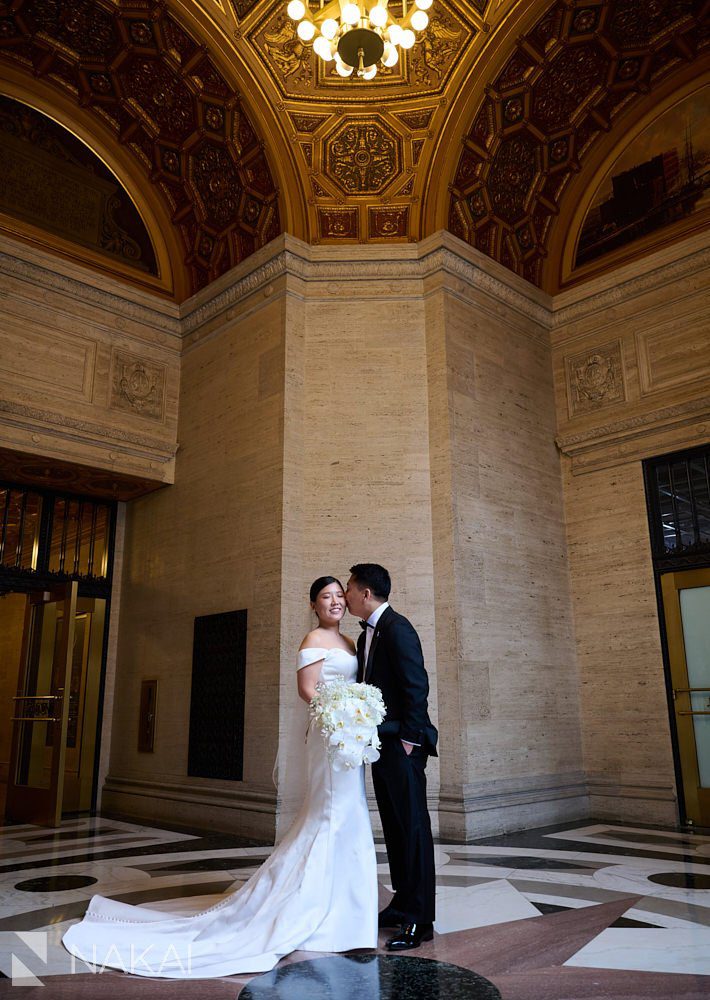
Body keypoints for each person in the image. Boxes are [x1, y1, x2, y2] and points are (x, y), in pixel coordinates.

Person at [61, 577, 378, 979]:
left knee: (349, 812)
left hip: (349, 738)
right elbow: (307, 690)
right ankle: (317, 913)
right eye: (325, 597)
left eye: (337, 596)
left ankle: (345, 913)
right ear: (313, 605)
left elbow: (356, 686)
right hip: (329, 733)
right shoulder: (312, 638)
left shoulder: (350, 643)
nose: (334, 602)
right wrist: (339, 717)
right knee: (333, 811)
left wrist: (358, 715)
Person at [345, 563, 438, 951]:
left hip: (403, 746)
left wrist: (410, 742)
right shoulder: (368, 634)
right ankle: (402, 903)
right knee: (396, 828)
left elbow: (416, 686)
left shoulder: (398, 628)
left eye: (349, 588)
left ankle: (420, 919)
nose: (346, 594)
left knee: (413, 829)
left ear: (366, 593)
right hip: (381, 746)